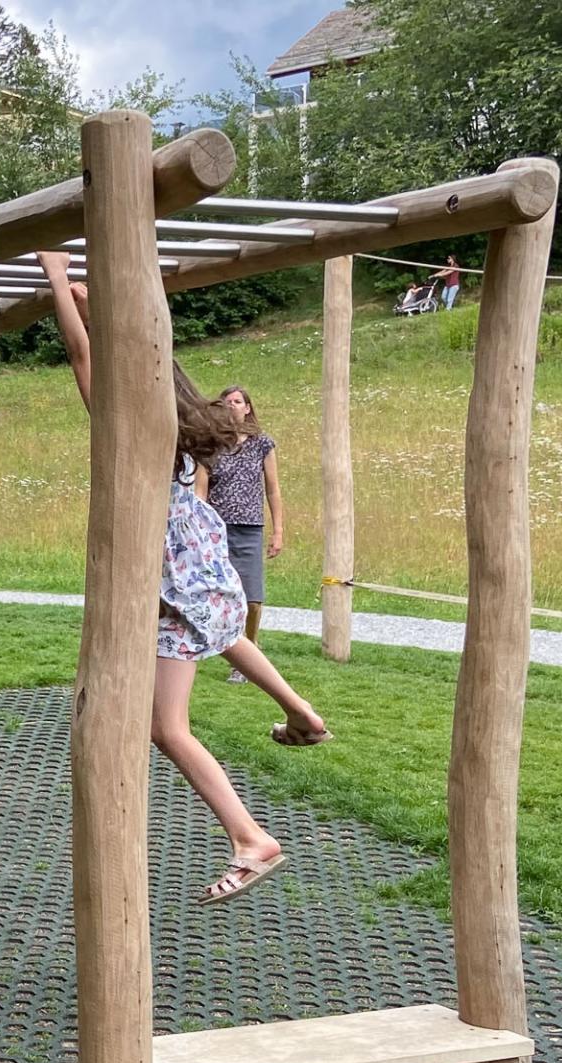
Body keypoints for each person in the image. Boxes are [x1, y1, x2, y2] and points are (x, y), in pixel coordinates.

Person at [35, 251, 332, 906]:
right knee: (226, 631)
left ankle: (252, 839)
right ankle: (300, 709)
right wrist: (90, 301)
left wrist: (56, 276)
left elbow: (84, 357)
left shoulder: (130, 426)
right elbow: (119, 348)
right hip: (198, 546)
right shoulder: (172, 416)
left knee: (166, 728)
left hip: (166, 563)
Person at [205, 387, 281, 683]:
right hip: (217, 527)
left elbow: (272, 489)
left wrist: (279, 531)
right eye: (227, 403)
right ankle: (222, 648)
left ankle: (249, 651)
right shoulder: (212, 444)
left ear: (248, 408)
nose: (232, 406)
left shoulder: (262, 444)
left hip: (249, 526)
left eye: (237, 402)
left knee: (252, 597)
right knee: (217, 593)